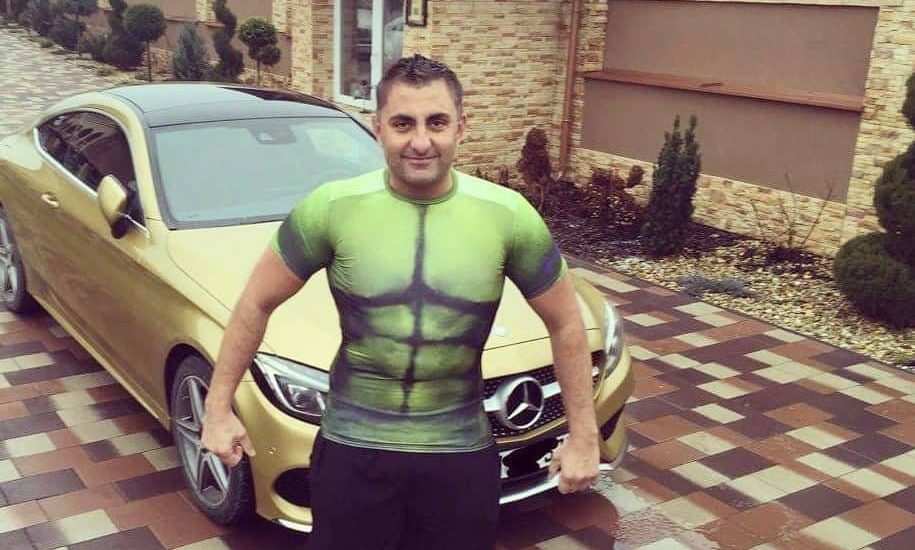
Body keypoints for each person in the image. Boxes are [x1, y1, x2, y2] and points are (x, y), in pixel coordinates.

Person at [201, 54, 600, 550]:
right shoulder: (332, 208)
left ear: (461, 126)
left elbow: (566, 322)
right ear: (378, 128)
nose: (421, 141)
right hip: (353, 449)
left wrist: (584, 435)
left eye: (437, 122)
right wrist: (217, 408)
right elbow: (255, 303)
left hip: (459, 453)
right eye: (403, 123)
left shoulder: (508, 216)